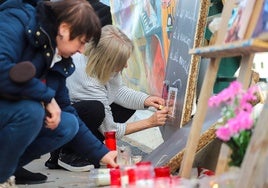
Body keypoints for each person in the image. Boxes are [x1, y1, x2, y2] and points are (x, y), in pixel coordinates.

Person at [0, 0, 117, 186]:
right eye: (81, 42)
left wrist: (102, 154)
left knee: (67, 124)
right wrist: (45, 97)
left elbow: (66, 109)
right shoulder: (15, 21)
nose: (81, 50)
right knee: (32, 112)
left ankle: (5, 169)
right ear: (63, 28)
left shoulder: (57, 57)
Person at [45, 24, 169, 172]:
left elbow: (118, 92)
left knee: (126, 105)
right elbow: (110, 129)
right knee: (94, 109)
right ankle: (66, 154)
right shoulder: (86, 77)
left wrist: (146, 99)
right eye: (122, 62)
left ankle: (90, 145)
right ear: (107, 61)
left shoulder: (103, 66)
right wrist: (150, 122)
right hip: (57, 126)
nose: (126, 66)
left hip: (78, 113)